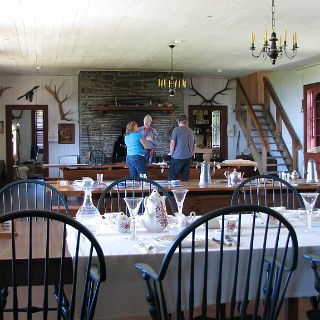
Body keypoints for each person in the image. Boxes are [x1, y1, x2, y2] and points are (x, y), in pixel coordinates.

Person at [168, 114, 196, 181]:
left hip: (178, 157)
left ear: (178, 121)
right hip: (188, 158)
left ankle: (171, 191)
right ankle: (185, 191)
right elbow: (195, 145)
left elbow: (172, 143)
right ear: (186, 122)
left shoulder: (176, 130)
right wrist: (192, 153)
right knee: (185, 179)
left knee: (172, 178)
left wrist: (171, 154)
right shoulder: (191, 131)